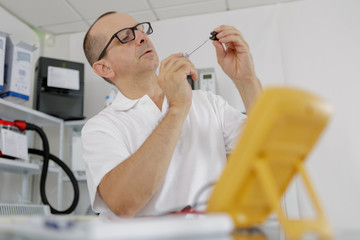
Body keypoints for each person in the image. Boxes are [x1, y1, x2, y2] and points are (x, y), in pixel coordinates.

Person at [82, 11, 262, 217]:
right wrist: (177, 108)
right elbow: (123, 202)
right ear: (104, 68)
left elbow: (267, 148)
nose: (142, 37)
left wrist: (247, 80)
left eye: (140, 30)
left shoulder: (207, 102)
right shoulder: (101, 127)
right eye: (125, 37)